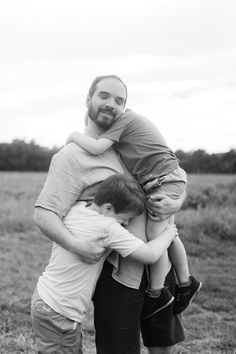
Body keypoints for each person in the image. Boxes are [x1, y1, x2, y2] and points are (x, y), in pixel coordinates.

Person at [34, 74, 186, 354]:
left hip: (158, 262)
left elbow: (170, 173)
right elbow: (45, 214)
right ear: (88, 99)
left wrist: (178, 202)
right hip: (117, 274)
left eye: (119, 100)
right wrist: (78, 245)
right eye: (104, 96)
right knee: (121, 349)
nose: (111, 104)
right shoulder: (71, 156)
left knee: (162, 344)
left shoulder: (126, 146)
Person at [66, 109, 202, 317]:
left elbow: (96, 146)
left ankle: (157, 294)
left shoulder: (123, 120)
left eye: (97, 131)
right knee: (168, 234)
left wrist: (74, 136)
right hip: (162, 182)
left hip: (163, 182)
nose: (98, 135)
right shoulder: (124, 143)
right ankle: (185, 283)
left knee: (159, 237)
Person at [31, 173, 178, 353]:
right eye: (124, 218)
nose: (125, 224)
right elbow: (149, 255)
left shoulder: (76, 208)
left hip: (45, 298)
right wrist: (170, 232)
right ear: (108, 209)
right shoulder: (108, 227)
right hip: (61, 311)